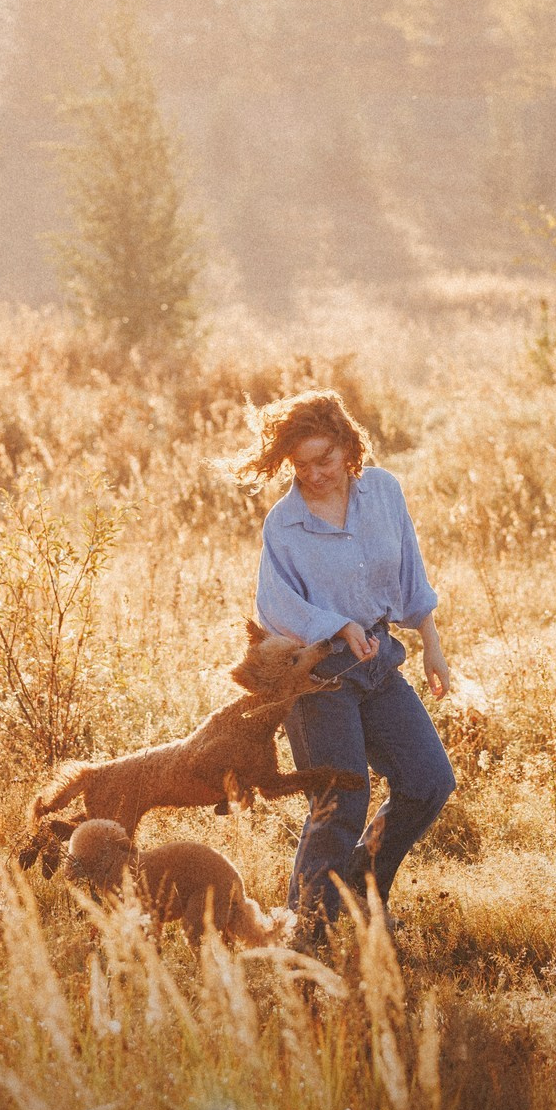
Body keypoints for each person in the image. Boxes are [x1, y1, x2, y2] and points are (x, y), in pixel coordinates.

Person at [232, 389, 454, 940]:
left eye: (324, 459)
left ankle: (358, 887)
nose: (314, 474)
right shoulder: (284, 525)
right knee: (341, 801)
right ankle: (303, 929)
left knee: (428, 781)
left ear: (347, 445)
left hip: (376, 664)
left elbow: (410, 575)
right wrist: (336, 625)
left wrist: (431, 642)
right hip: (317, 678)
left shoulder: (383, 492)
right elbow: (276, 607)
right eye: (300, 464)